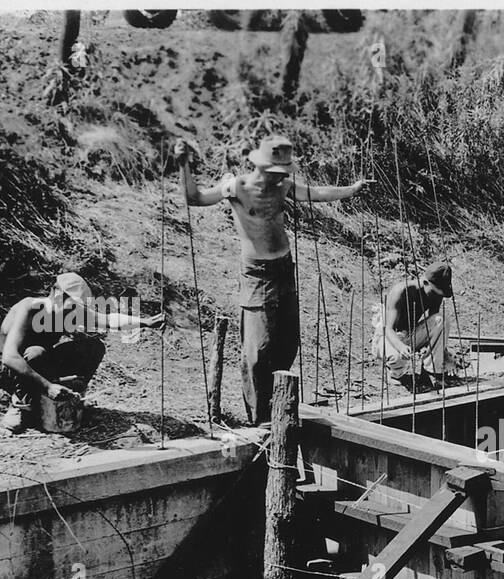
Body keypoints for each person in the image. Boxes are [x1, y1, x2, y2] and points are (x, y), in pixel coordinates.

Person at [175, 134, 368, 424]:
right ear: (262, 167)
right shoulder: (237, 187)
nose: (281, 177)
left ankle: (280, 404)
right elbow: (196, 198)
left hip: (284, 269)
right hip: (256, 273)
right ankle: (259, 417)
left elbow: (316, 193)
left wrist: (352, 190)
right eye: (277, 172)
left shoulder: (284, 187)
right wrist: (183, 165)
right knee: (258, 348)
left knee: (288, 341)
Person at [0, 272, 161, 433]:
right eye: (70, 304)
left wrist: (145, 322)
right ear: (56, 293)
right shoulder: (30, 308)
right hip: (10, 372)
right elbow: (9, 357)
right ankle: (20, 405)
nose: (73, 311)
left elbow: (108, 319)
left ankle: (70, 400)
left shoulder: (69, 311)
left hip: (40, 365)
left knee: (93, 347)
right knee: (36, 352)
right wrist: (48, 386)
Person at [372, 261, 462, 392]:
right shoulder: (401, 291)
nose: (438, 296)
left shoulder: (435, 294)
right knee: (398, 358)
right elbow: (388, 328)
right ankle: (394, 372)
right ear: (425, 283)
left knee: (441, 319)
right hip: (387, 337)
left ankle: (431, 372)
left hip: (410, 334)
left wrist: (442, 354)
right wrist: (400, 346)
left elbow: (435, 330)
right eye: (436, 292)